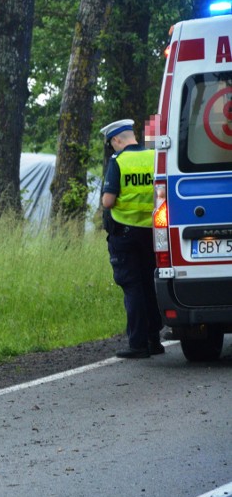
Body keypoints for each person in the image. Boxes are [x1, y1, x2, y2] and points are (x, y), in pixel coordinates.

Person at [100, 118, 164, 359]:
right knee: (150, 284)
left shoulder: (119, 161)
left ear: (116, 140)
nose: (112, 148)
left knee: (132, 286)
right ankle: (154, 340)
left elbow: (108, 201)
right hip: (153, 232)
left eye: (111, 144)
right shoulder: (153, 157)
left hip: (125, 233)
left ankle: (137, 343)